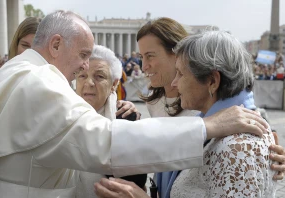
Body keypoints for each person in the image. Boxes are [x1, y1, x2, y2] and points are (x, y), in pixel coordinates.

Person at [0, 11, 268, 198]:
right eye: (83, 55)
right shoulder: (37, 79)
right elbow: (103, 141)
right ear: (54, 45)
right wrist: (206, 127)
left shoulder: (20, 72)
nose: (84, 68)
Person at [94, 18, 285, 198]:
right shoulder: (164, 101)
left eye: (181, 73)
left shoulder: (237, 146)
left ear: (212, 81)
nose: (143, 66)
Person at [168, 31, 277, 197]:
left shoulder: (235, 149)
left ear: (212, 81)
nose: (174, 83)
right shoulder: (216, 129)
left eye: (181, 74)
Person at [75, 45, 147, 198]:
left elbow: (134, 183)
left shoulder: (126, 119)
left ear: (114, 84)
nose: (89, 82)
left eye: (99, 76)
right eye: (82, 76)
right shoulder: (62, 113)